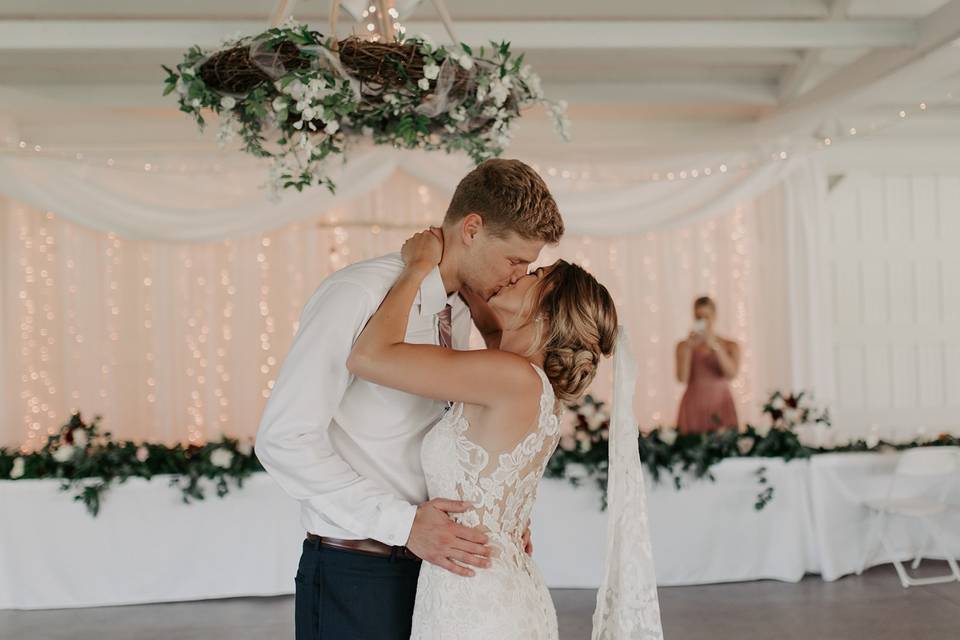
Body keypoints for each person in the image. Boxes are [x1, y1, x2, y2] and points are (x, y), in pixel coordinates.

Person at [255, 158, 564, 640]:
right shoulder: (357, 293)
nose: (520, 274)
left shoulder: (465, 312)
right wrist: (403, 525)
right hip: (357, 571)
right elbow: (284, 439)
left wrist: (497, 518)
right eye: (515, 260)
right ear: (473, 228)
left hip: (440, 576)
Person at [347, 228, 661, 638]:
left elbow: (369, 356)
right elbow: (484, 305)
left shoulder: (510, 378)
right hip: (488, 590)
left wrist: (418, 266)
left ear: (547, 310)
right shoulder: (527, 380)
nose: (518, 274)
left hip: (476, 603)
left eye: (535, 274)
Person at [675, 295, 740, 434]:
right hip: (693, 404)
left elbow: (731, 374)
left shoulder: (730, 345)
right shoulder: (684, 346)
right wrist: (689, 348)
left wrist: (715, 346)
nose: (703, 321)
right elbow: (682, 378)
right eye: (699, 316)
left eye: (707, 316)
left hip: (722, 404)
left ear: (714, 316)